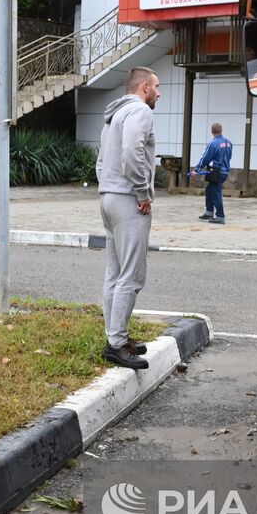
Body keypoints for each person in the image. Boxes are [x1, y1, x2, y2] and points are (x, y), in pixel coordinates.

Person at [96, 67, 160, 371]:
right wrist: (142, 192)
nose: (159, 93)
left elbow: (100, 162)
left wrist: (109, 187)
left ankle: (115, 336)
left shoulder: (114, 115)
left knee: (115, 273)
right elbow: (132, 152)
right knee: (132, 275)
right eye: (157, 87)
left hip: (108, 198)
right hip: (128, 200)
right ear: (144, 86)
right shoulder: (140, 111)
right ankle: (116, 344)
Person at [189, 122, 233, 224]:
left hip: (217, 172)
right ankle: (209, 212)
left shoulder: (213, 143)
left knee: (216, 193)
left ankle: (220, 216)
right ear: (221, 130)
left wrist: (196, 170)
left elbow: (205, 158)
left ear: (212, 132)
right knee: (209, 189)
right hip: (225, 171)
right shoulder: (229, 143)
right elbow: (229, 157)